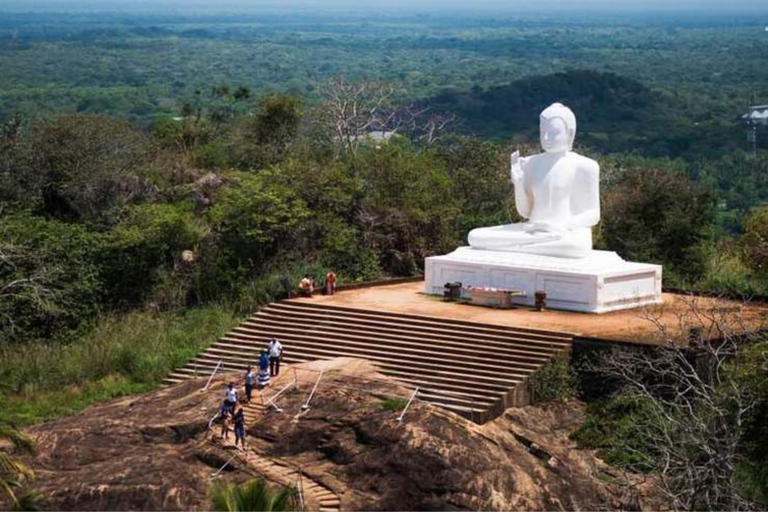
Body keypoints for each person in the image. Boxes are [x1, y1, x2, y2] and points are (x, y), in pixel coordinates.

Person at [467, 103, 600, 259]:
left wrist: (563, 226)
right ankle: (531, 245)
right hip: (531, 230)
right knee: (475, 236)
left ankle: (517, 247)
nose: (546, 138)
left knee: (575, 247)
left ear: (569, 134)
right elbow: (525, 211)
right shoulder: (530, 163)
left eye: (553, 133)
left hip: (564, 232)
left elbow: (593, 214)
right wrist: (518, 183)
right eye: (543, 132)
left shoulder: (585, 166)